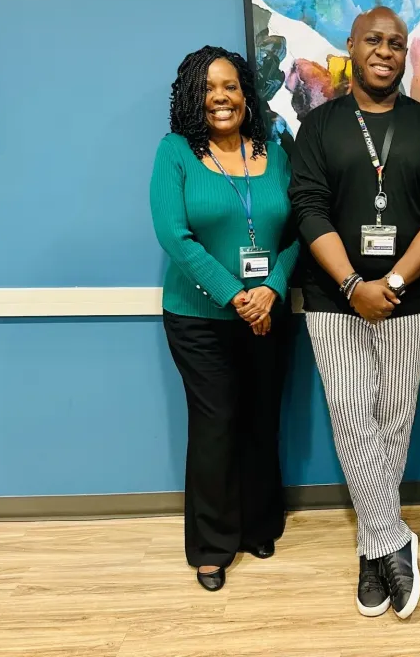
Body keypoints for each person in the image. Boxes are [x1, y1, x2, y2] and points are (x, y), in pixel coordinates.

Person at [289, 7, 420, 619]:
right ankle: (392, 540)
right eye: (373, 41)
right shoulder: (321, 126)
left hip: (407, 298)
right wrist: (353, 283)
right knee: (353, 416)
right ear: (352, 48)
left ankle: (371, 547)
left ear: (405, 52)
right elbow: (308, 208)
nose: (385, 51)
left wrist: (389, 280)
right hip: (333, 299)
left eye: (396, 42)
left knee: (395, 420)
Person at [150, 45, 299, 592]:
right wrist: (237, 295)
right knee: (215, 427)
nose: (220, 96)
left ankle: (259, 525)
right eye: (208, 88)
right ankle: (211, 548)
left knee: (262, 419)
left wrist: (273, 290)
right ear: (193, 97)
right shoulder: (176, 153)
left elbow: (296, 231)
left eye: (231, 86)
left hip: (269, 313)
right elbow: (174, 235)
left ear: (245, 94)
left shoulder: (274, 152)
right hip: (199, 318)